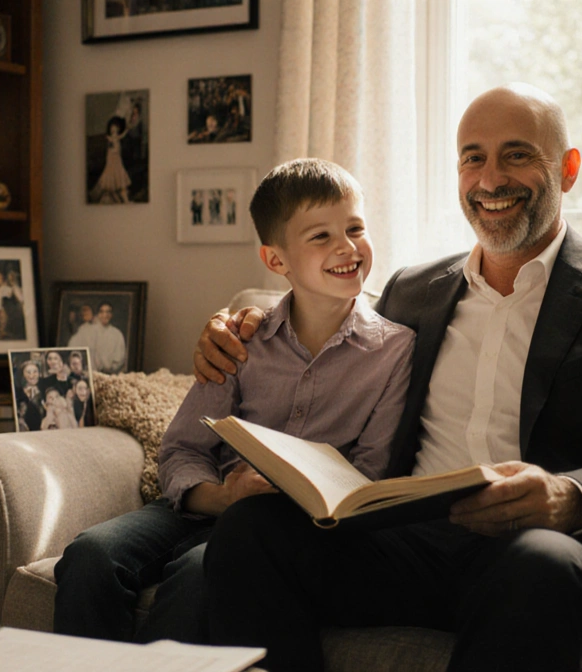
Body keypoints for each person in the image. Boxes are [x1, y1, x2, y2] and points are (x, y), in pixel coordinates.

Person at [194, 84, 582, 671]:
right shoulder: (412, 288)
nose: (490, 178)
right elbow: (323, 325)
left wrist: (566, 497)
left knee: (541, 565)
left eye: (517, 155)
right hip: (407, 541)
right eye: (473, 158)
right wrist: (240, 324)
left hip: (542, 547)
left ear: (568, 169)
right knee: (253, 532)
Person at [52, 158, 416, 645]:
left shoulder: (394, 350)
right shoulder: (244, 336)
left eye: (355, 228)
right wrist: (223, 497)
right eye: (321, 236)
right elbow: (182, 450)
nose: (347, 247)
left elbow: (369, 476)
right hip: (200, 504)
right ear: (276, 261)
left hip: (276, 531)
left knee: (198, 575)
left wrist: (279, 501)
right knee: (90, 555)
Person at [67, 302, 127, 373]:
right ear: (98, 314)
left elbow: (119, 359)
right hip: (88, 373)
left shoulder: (117, 334)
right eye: (102, 312)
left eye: (108, 312)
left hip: (108, 375)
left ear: (111, 315)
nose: (105, 315)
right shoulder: (86, 330)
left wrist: (107, 369)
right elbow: (72, 347)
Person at [91, 115, 132, 203]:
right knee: (111, 177)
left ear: (118, 129)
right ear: (110, 129)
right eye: (112, 129)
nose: (114, 130)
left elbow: (122, 135)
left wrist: (127, 128)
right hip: (112, 160)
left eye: (115, 129)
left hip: (117, 160)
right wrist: (113, 148)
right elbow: (111, 149)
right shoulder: (110, 138)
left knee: (120, 177)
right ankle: (120, 198)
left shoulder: (117, 137)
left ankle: (125, 199)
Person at [14, 359, 45, 432]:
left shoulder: (45, 390)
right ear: (23, 375)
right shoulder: (18, 393)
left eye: (35, 372)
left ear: (39, 373)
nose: (32, 375)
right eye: (28, 372)